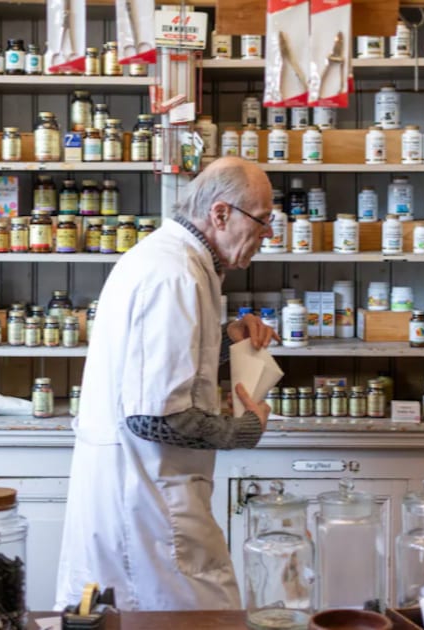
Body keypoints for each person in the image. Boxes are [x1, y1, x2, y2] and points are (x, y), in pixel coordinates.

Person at [55, 157, 277, 611]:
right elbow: (154, 416)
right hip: (149, 501)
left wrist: (221, 341)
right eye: (262, 220)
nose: (267, 234)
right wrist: (244, 431)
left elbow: (154, 367)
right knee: (203, 617)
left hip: (144, 490)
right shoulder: (174, 273)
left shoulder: (173, 259)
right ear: (220, 214)